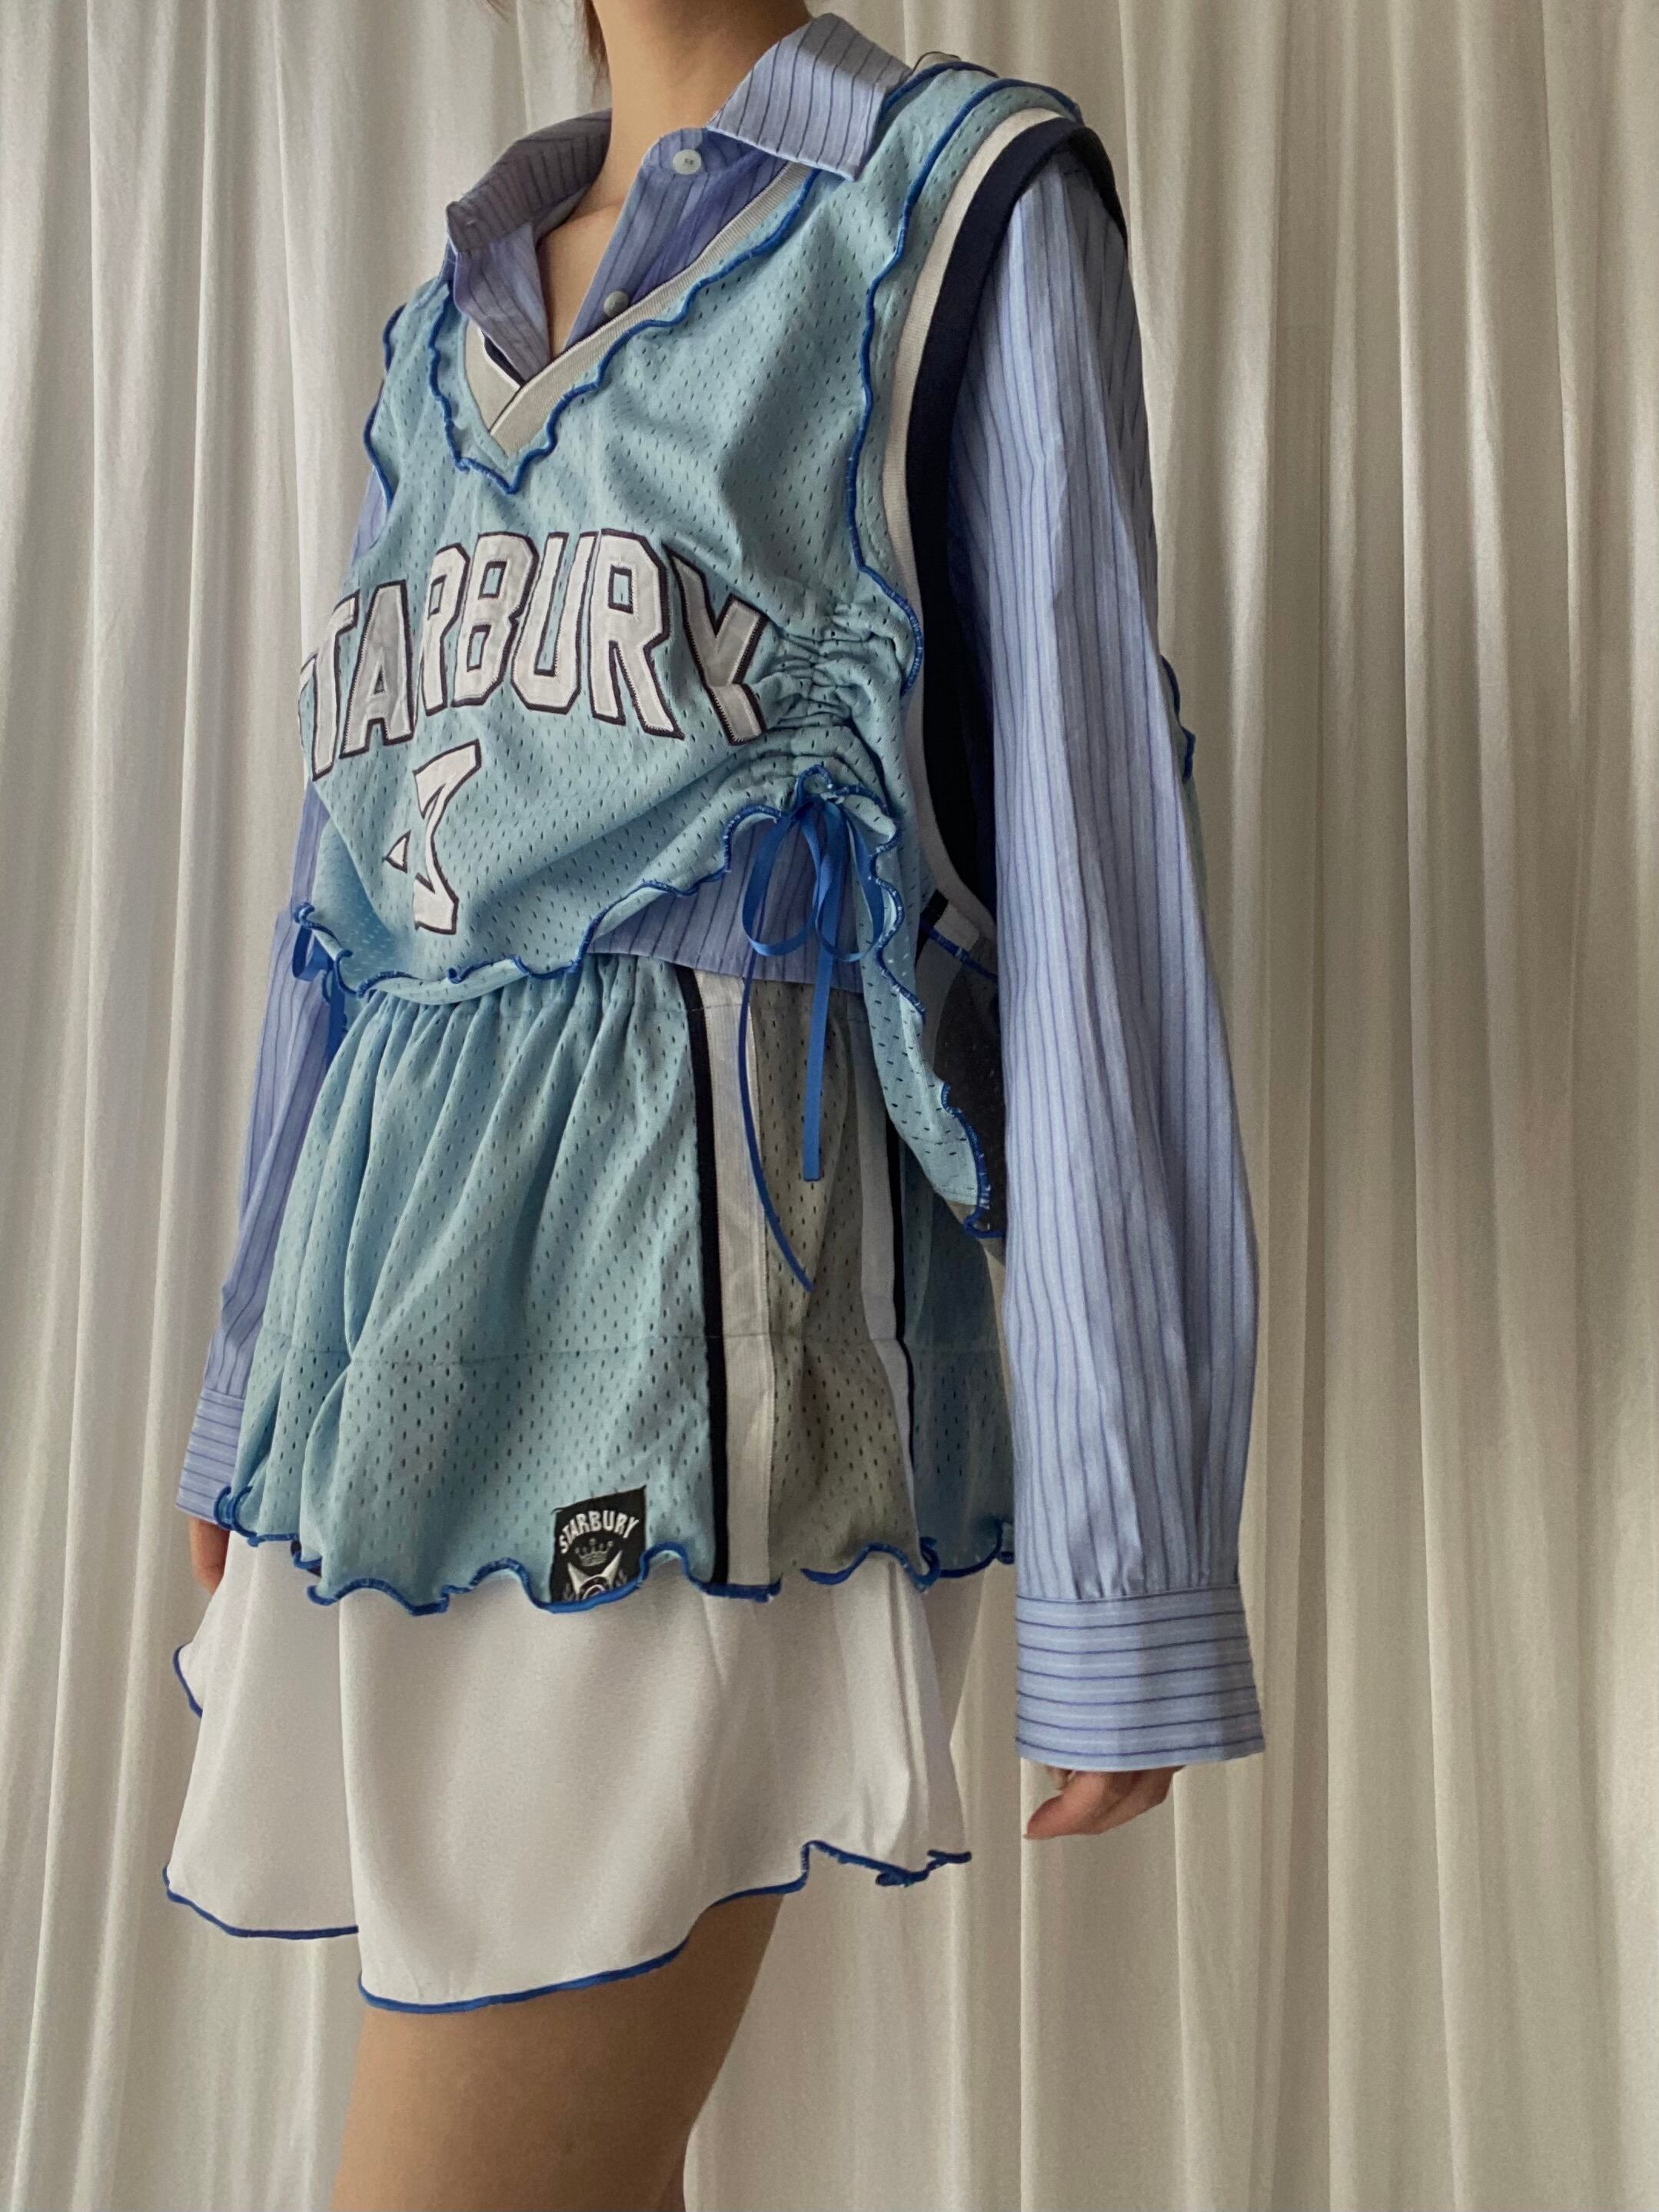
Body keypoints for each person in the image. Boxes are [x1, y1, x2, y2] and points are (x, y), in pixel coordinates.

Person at [165, 4, 1266, 2205]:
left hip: (683, 1345)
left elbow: (1091, 867)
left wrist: (1130, 1553)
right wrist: (247, 1381)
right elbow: (345, 900)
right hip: (384, 1373)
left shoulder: (954, 206)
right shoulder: (438, 327)